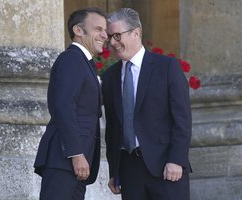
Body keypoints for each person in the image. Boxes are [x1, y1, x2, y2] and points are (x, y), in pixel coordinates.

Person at [101, 8, 192, 200]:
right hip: (129, 171)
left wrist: (176, 160)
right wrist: (113, 170)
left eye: (117, 36)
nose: (112, 42)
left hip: (166, 168)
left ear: (136, 32)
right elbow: (113, 129)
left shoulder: (166, 67)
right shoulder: (110, 77)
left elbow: (182, 119)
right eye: (110, 37)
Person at [33, 7, 107, 200]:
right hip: (64, 160)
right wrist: (76, 153)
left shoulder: (83, 61)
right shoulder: (72, 58)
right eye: (98, 29)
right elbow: (63, 106)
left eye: (105, 30)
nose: (105, 35)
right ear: (78, 30)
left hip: (75, 165)